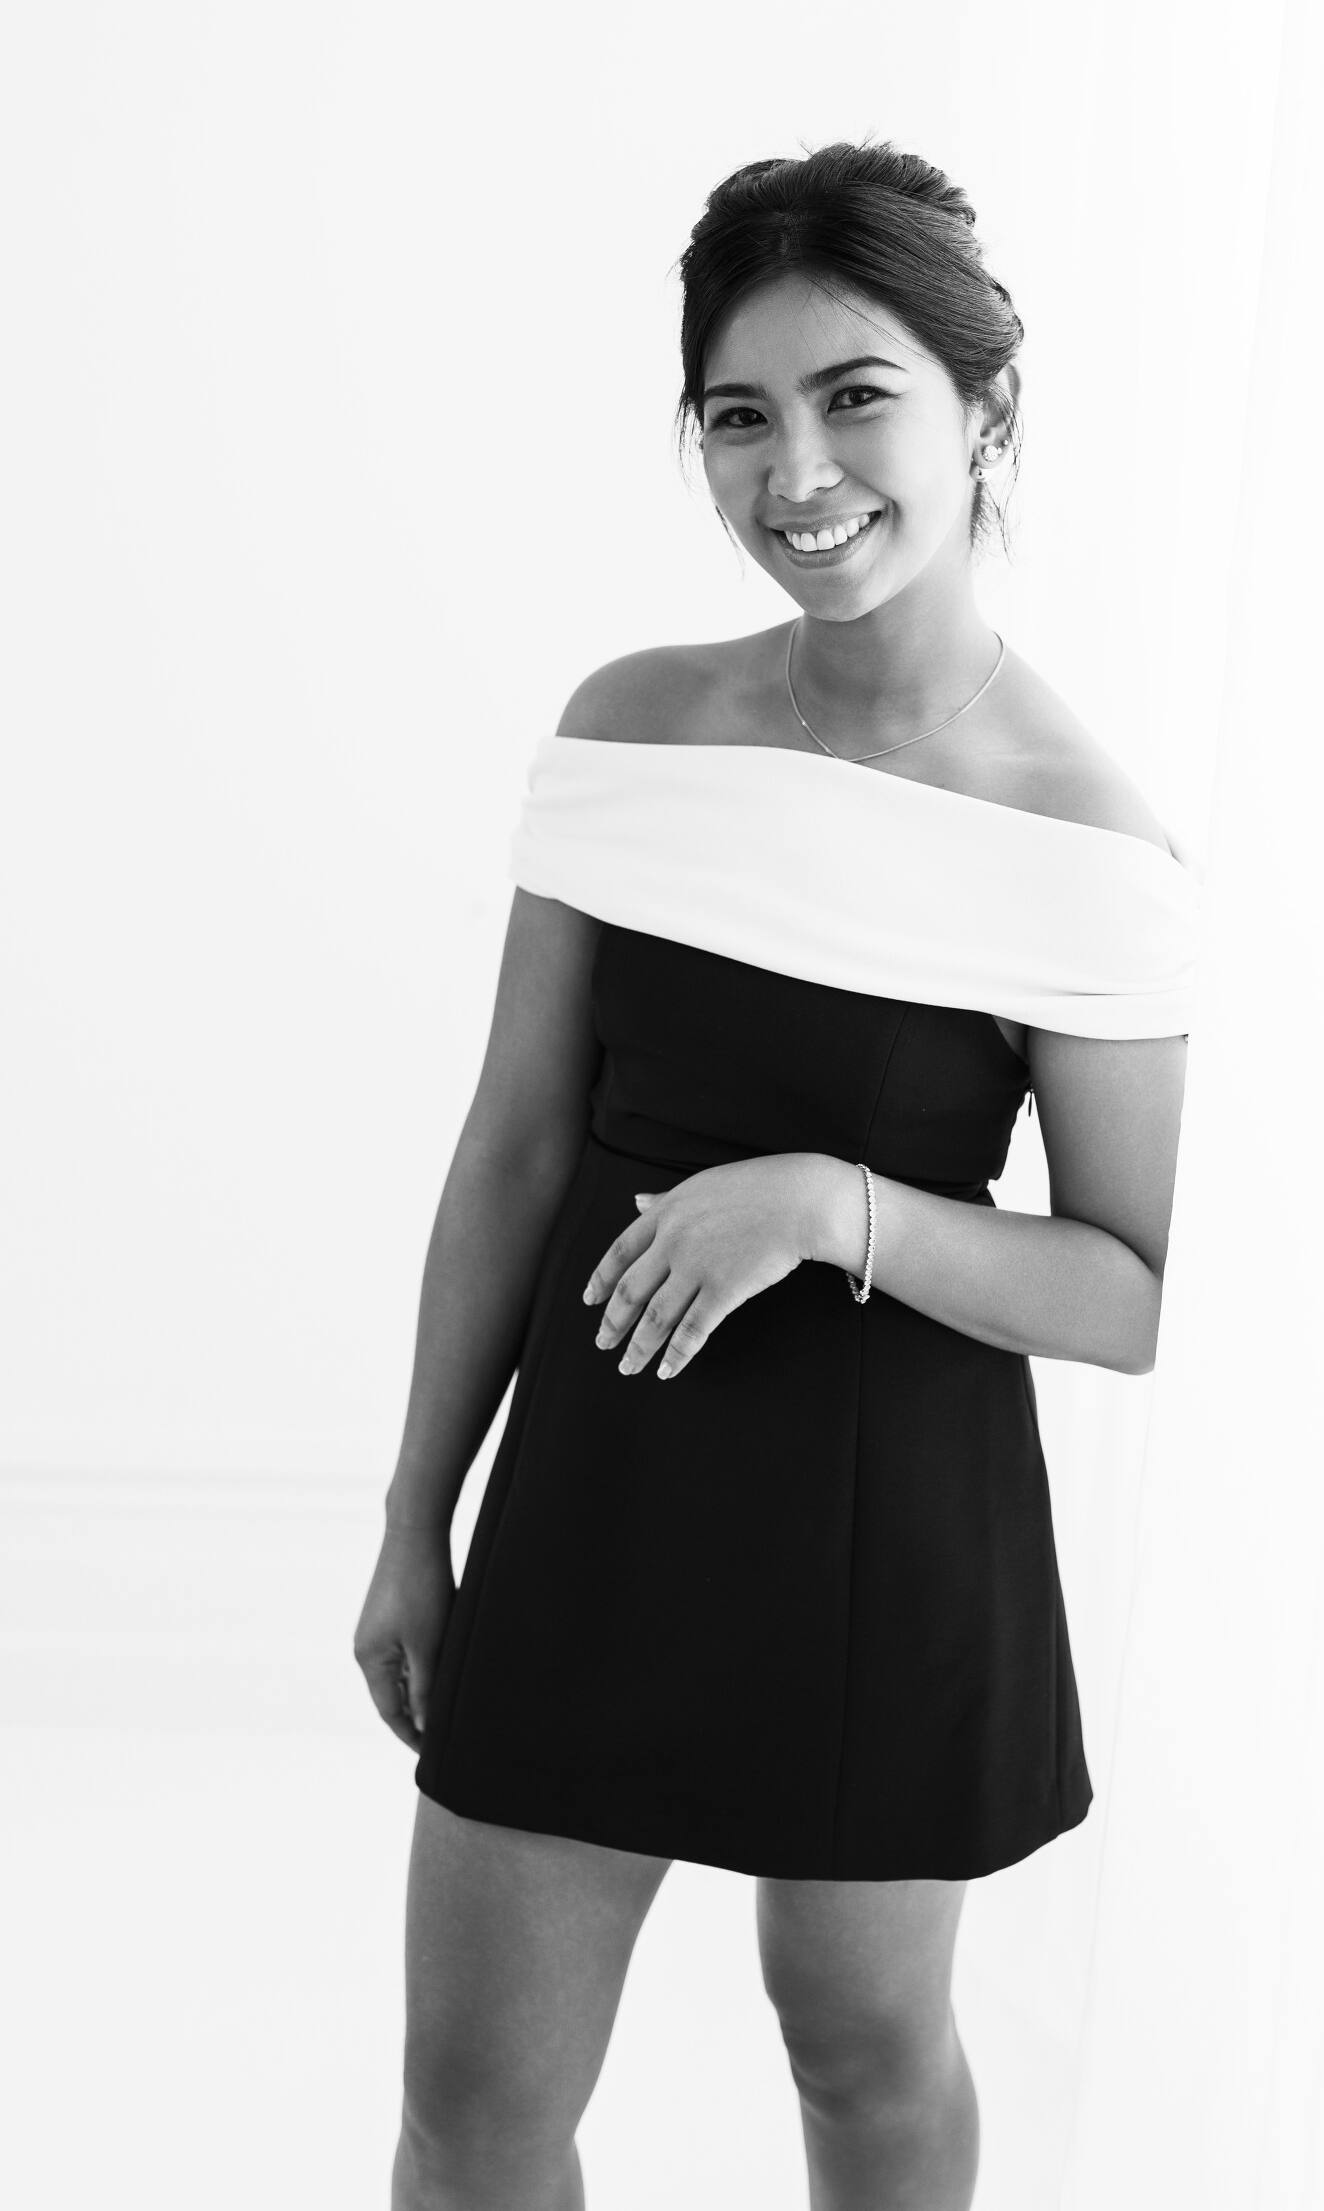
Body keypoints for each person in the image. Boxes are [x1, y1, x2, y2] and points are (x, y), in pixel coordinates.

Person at [354, 140, 1202, 2211]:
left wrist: (837, 1206)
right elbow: (515, 1144)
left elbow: (1132, 1292)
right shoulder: (631, 729)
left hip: (884, 1526)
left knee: (863, 2051)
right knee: (473, 2100)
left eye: (854, 398)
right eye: (739, 416)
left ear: (984, 412)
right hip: (597, 1490)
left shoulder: (1083, 835)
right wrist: (413, 1512)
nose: (795, 471)